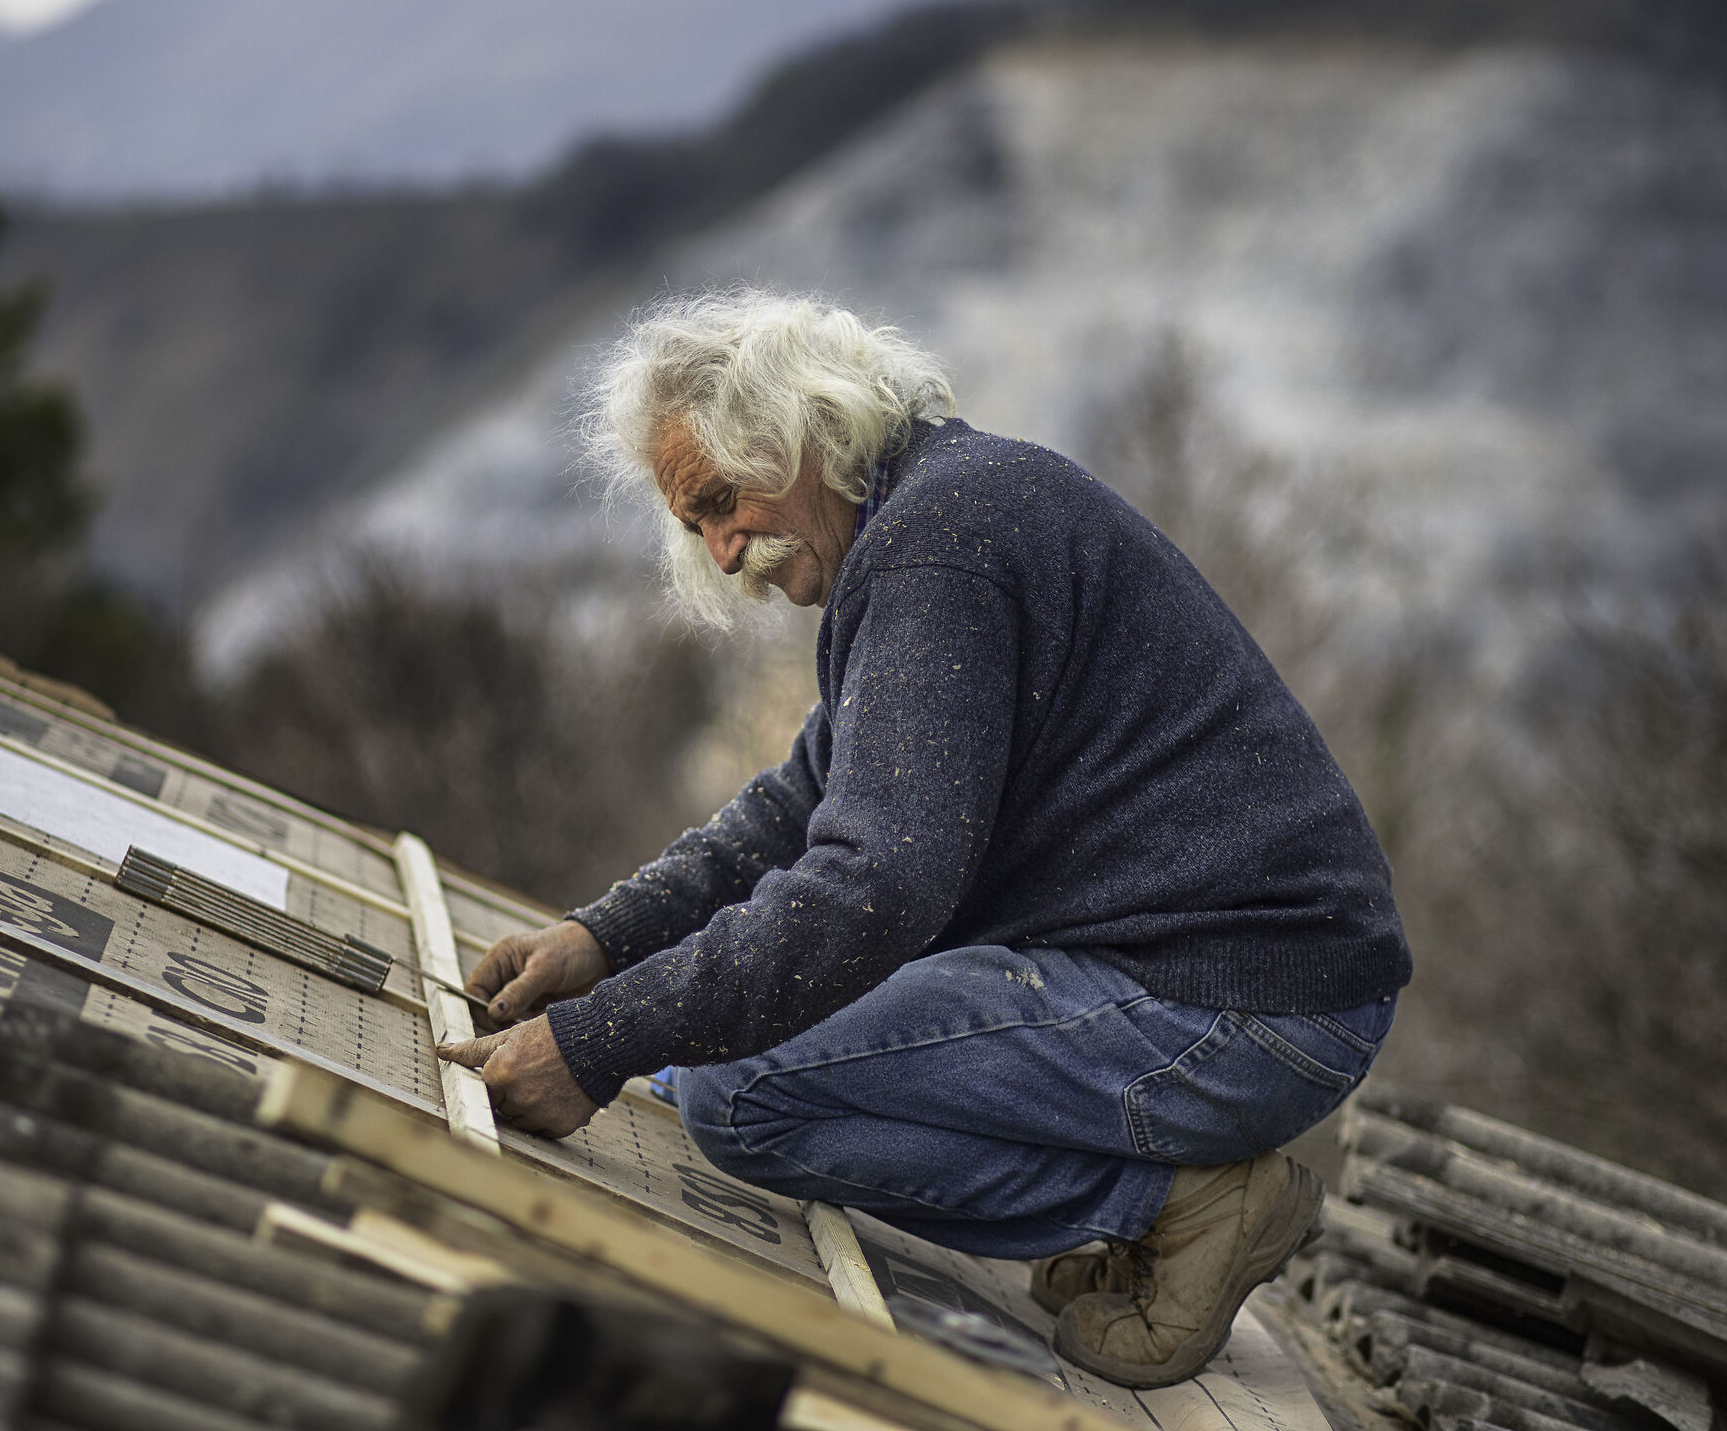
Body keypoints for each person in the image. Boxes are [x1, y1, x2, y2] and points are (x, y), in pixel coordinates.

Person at [438, 290, 1410, 1387]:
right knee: (711, 1049)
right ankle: (1154, 1201)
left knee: (738, 1093)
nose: (717, 551)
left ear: (796, 433)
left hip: (1247, 1008)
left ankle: (1188, 1209)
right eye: (693, 524)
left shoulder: (936, 548)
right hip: (1229, 983)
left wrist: (598, 1044)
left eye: (719, 501)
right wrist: (602, 941)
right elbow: (802, 804)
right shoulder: (929, 519)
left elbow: (874, 886)